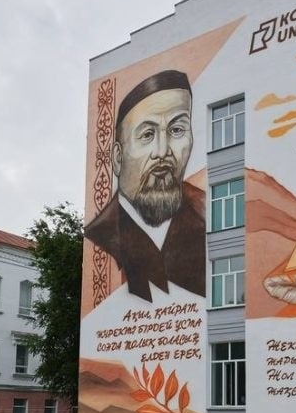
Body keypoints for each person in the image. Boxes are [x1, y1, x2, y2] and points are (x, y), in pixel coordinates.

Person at [85, 70, 206, 303]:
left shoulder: (209, 214)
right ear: (117, 158)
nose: (162, 151)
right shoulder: (100, 237)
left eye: (177, 130)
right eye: (147, 134)